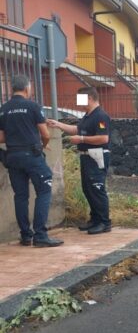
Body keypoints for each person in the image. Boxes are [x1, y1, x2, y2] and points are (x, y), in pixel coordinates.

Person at [0, 75, 63, 247]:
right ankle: (41, 236)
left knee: (20, 196)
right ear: (27, 88)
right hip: (32, 156)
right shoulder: (32, 106)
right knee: (44, 191)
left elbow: (1, 137)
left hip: (13, 157)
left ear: (12, 89)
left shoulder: (4, 109)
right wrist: (42, 145)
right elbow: (45, 134)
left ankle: (26, 236)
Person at [47, 87, 112, 234]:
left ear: (89, 97)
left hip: (96, 156)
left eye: (80, 98)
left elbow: (103, 138)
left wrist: (81, 139)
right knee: (88, 188)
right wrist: (58, 124)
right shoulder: (88, 116)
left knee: (96, 188)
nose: (78, 102)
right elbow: (77, 129)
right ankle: (95, 219)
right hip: (86, 156)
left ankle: (104, 222)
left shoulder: (100, 115)